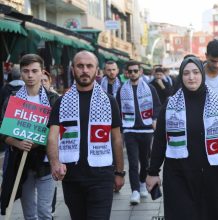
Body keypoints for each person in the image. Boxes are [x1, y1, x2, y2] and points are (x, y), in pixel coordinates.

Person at [146, 56, 218, 220]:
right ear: (181, 76)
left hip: (216, 174)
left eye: (195, 72)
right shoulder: (170, 105)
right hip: (180, 175)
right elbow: (159, 141)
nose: (191, 77)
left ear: (202, 75)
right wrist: (153, 172)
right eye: (186, 73)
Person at [46, 51, 125, 219]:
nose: (84, 70)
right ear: (73, 69)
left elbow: (117, 139)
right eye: (80, 66)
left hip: (102, 175)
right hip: (72, 176)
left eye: (89, 66)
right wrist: (54, 162)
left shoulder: (109, 101)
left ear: (97, 71)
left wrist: (119, 172)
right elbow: (52, 135)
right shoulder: (62, 101)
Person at [0, 54, 59, 219]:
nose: (30, 75)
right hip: (21, 164)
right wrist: (17, 143)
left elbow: (58, 129)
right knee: (29, 214)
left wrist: (37, 142)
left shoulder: (53, 99)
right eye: (26, 71)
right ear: (21, 74)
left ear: (42, 73)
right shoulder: (13, 99)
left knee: (45, 212)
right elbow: (3, 129)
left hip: (46, 163)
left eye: (34, 71)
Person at [116, 60, 161, 205]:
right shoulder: (122, 89)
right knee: (133, 162)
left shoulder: (150, 88)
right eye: (131, 71)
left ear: (140, 72)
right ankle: (135, 190)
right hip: (130, 130)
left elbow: (157, 106)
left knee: (145, 161)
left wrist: (154, 119)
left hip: (146, 129)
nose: (133, 73)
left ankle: (142, 183)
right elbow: (117, 109)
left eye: (136, 70)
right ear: (127, 73)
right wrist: (120, 129)